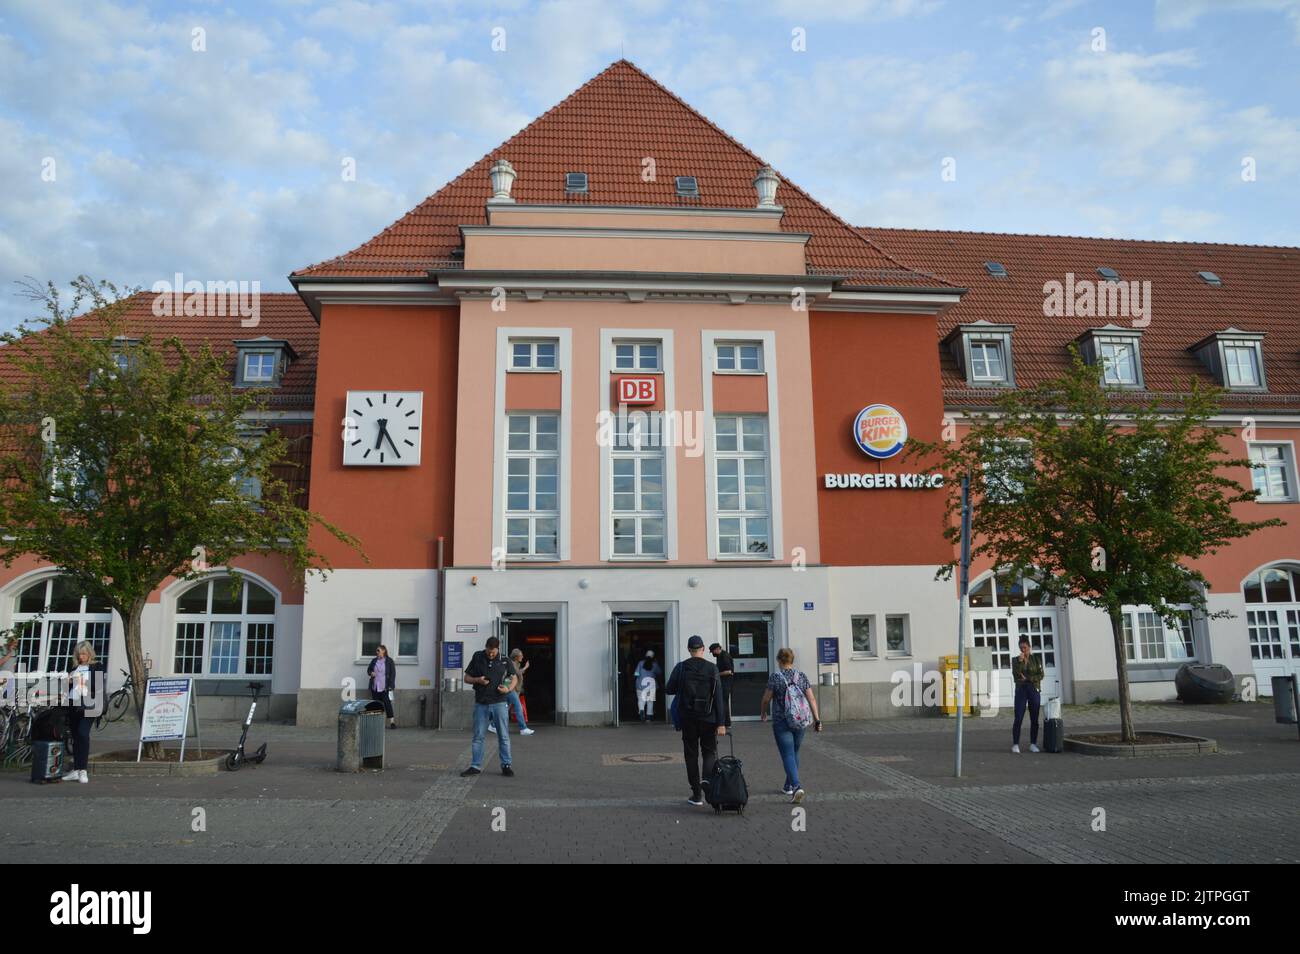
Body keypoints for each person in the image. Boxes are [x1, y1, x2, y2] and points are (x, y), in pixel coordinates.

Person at [665, 635, 725, 806]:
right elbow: (719, 698)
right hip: (709, 718)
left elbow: (669, 689)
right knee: (709, 752)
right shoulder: (712, 668)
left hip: (688, 718)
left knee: (691, 755)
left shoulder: (682, 667)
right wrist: (721, 723)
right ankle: (706, 780)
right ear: (703, 649)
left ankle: (696, 794)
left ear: (689, 649)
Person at [760, 647, 821, 804]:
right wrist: (817, 719)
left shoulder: (776, 677)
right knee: (794, 752)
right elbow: (812, 699)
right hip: (800, 721)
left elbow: (766, 699)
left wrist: (763, 712)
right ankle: (788, 785)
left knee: (788, 754)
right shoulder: (801, 676)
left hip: (782, 721)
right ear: (792, 661)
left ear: (779, 661)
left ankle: (796, 786)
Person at [461, 636, 517, 777]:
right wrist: (477, 680)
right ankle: (475, 766)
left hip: (499, 703)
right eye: (489, 651)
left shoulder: (504, 659)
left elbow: (514, 677)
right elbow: (466, 678)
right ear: (485, 647)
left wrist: (508, 689)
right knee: (478, 736)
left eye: (493, 652)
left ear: (498, 648)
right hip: (481, 704)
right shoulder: (478, 656)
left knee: (503, 736)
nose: (491, 654)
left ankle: (506, 765)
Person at [63, 641, 104, 784]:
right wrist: (67, 681)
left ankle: (83, 770)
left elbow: (97, 685)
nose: (81, 657)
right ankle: (76, 769)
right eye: (79, 654)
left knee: (82, 733)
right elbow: (67, 687)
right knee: (74, 736)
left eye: (84, 654)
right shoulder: (74, 667)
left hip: (90, 705)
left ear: (89, 653)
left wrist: (80, 681)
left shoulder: (97, 666)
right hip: (74, 704)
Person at [1010, 637, 1044, 754]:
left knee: (1034, 718)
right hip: (1021, 690)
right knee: (1018, 717)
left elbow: (1041, 675)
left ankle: (1033, 744)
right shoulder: (1015, 660)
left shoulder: (1036, 659)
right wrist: (1020, 662)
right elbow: (1016, 675)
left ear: (1029, 647)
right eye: (1021, 648)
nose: (1023, 650)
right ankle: (1015, 744)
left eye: (1025, 647)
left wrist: (1029, 678)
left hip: (1034, 689)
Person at [492, 648, 535, 736]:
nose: (522, 657)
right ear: (516, 657)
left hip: (511, 688)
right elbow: (517, 673)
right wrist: (526, 667)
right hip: (510, 688)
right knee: (518, 706)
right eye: (521, 655)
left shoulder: (516, 664)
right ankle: (523, 728)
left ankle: (493, 724)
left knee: (504, 708)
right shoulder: (511, 663)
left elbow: (518, 673)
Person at [366, 644, 397, 728]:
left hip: (385, 687)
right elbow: (368, 670)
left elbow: (393, 674)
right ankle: (376, 723)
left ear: (383, 651)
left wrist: (391, 686)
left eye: (378, 650)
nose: (377, 652)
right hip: (375, 686)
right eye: (376, 651)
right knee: (376, 705)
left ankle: (392, 722)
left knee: (387, 704)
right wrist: (371, 673)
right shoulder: (374, 660)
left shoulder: (389, 661)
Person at [709, 642, 735, 727]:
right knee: (723, 702)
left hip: (726, 683)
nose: (712, 654)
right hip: (723, 683)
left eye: (713, 651)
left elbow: (729, 671)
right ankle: (724, 722)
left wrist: (717, 674)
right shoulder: (720, 656)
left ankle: (725, 723)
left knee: (723, 703)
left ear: (717, 649)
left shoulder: (725, 657)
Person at [633, 652, 661, 722]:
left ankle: (641, 711)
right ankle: (649, 716)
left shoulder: (640, 663)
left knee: (641, 700)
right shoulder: (655, 664)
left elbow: (636, 673)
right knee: (650, 701)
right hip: (651, 685)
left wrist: (636, 677)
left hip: (640, 685)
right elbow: (659, 672)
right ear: (653, 657)